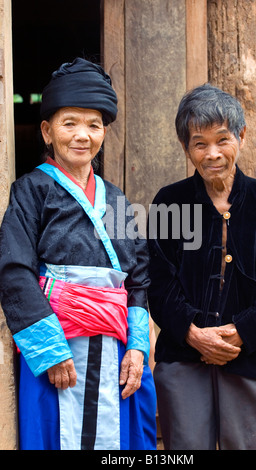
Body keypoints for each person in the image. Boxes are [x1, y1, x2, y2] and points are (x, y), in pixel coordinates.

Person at [0, 57, 156, 450]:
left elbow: (138, 277)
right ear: (46, 131)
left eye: (94, 125)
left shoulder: (116, 199)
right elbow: (15, 269)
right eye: (70, 123)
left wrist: (137, 346)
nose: (82, 135)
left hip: (116, 353)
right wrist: (49, 351)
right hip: (56, 348)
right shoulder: (30, 191)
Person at [147, 84, 256, 450]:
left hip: (248, 356)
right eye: (199, 143)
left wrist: (241, 332)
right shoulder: (171, 202)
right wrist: (194, 333)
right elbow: (158, 281)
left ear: (241, 137)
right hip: (183, 356)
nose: (212, 153)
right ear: (186, 148)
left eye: (222, 140)